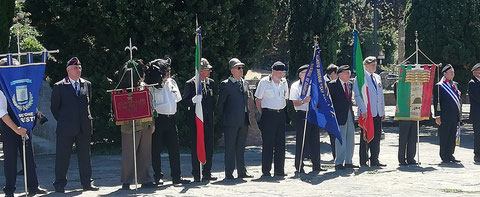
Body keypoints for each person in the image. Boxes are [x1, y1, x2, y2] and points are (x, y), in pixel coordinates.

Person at [51, 57, 98, 192]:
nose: (78, 70)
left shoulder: (86, 84)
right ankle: (59, 185)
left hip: (84, 127)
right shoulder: (59, 86)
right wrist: (65, 121)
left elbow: (88, 102)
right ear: (68, 70)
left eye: (79, 67)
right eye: (75, 68)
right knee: (62, 157)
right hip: (66, 128)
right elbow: (55, 108)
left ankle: (87, 183)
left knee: (85, 157)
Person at [0, 58, 46, 197]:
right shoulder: (1, 87)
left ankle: (33, 187)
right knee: (10, 159)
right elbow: (2, 113)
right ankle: (9, 190)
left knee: (29, 158)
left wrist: (36, 112)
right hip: (9, 127)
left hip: (24, 125)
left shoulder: (22, 83)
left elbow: (26, 101)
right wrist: (16, 129)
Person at [147, 58, 190, 185]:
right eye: (166, 71)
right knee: (156, 149)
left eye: (169, 70)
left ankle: (177, 176)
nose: (168, 73)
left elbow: (176, 99)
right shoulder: (153, 86)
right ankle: (157, 176)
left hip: (171, 118)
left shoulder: (172, 82)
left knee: (174, 149)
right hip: (159, 118)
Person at [117, 59, 156, 190]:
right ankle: (126, 180)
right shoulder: (122, 88)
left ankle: (145, 179)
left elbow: (150, 106)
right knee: (129, 153)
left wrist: (152, 123)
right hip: (129, 125)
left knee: (145, 153)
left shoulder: (145, 86)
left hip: (145, 124)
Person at [181, 58, 217, 182]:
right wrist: (192, 100)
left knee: (209, 147)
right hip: (196, 121)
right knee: (197, 146)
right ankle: (197, 173)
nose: (210, 71)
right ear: (201, 70)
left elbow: (213, 101)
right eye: (208, 69)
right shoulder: (191, 84)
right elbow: (184, 101)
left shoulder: (210, 82)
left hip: (208, 120)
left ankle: (207, 172)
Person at [217, 58, 253, 179]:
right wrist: (225, 117)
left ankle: (242, 171)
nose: (241, 70)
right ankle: (229, 172)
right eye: (238, 68)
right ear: (232, 70)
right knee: (230, 147)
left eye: (242, 67)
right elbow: (220, 103)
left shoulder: (244, 83)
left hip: (243, 120)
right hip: (231, 121)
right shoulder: (226, 84)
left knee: (241, 147)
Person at [255, 61, 289, 177]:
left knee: (281, 143)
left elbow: (286, 98)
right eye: (279, 73)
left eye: (282, 73)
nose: (281, 75)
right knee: (268, 143)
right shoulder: (264, 82)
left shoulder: (284, 82)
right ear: (273, 72)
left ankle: (279, 170)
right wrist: (264, 113)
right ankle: (266, 171)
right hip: (268, 114)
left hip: (281, 114)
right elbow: (258, 100)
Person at [353, 56, 386, 167]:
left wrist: (383, 110)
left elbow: (380, 95)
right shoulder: (361, 78)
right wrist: (363, 110)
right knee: (365, 137)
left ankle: (375, 159)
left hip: (377, 112)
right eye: (372, 64)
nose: (374, 66)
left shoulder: (377, 77)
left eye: (375, 64)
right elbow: (358, 96)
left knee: (376, 137)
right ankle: (363, 160)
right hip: (367, 112)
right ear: (365, 66)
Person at [289, 64, 321, 173]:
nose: (308, 75)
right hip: (302, 114)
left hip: (313, 113)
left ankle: (316, 165)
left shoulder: (314, 85)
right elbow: (295, 103)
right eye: (306, 73)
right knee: (301, 140)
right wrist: (304, 101)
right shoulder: (295, 86)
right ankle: (299, 165)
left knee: (315, 140)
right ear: (300, 75)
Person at [328, 65, 358, 170]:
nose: (349, 75)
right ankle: (339, 162)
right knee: (340, 139)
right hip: (338, 115)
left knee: (350, 137)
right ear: (340, 74)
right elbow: (329, 101)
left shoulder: (349, 84)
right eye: (346, 73)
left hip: (349, 113)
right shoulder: (332, 85)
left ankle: (349, 161)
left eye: (349, 72)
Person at [433, 64, 462, 163]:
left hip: (454, 115)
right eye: (451, 72)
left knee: (452, 136)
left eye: (453, 72)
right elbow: (437, 102)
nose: (453, 74)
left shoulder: (455, 84)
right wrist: (437, 115)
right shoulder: (439, 86)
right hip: (444, 116)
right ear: (445, 74)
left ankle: (450, 154)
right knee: (444, 136)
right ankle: (444, 155)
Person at [393, 81, 418, 166]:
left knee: (413, 137)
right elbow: (398, 98)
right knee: (403, 138)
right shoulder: (398, 83)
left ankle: (411, 158)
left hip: (414, 112)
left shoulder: (415, 83)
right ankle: (402, 159)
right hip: (404, 113)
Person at [324, 63, 339, 159]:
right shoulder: (324, 82)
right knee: (333, 135)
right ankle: (336, 155)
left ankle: (337, 155)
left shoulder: (331, 81)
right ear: (333, 73)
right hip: (327, 113)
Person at [469, 63, 480, 163]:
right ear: (474, 72)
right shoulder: (472, 83)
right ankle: (477, 154)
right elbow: (477, 98)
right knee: (478, 135)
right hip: (477, 114)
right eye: (478, 70)